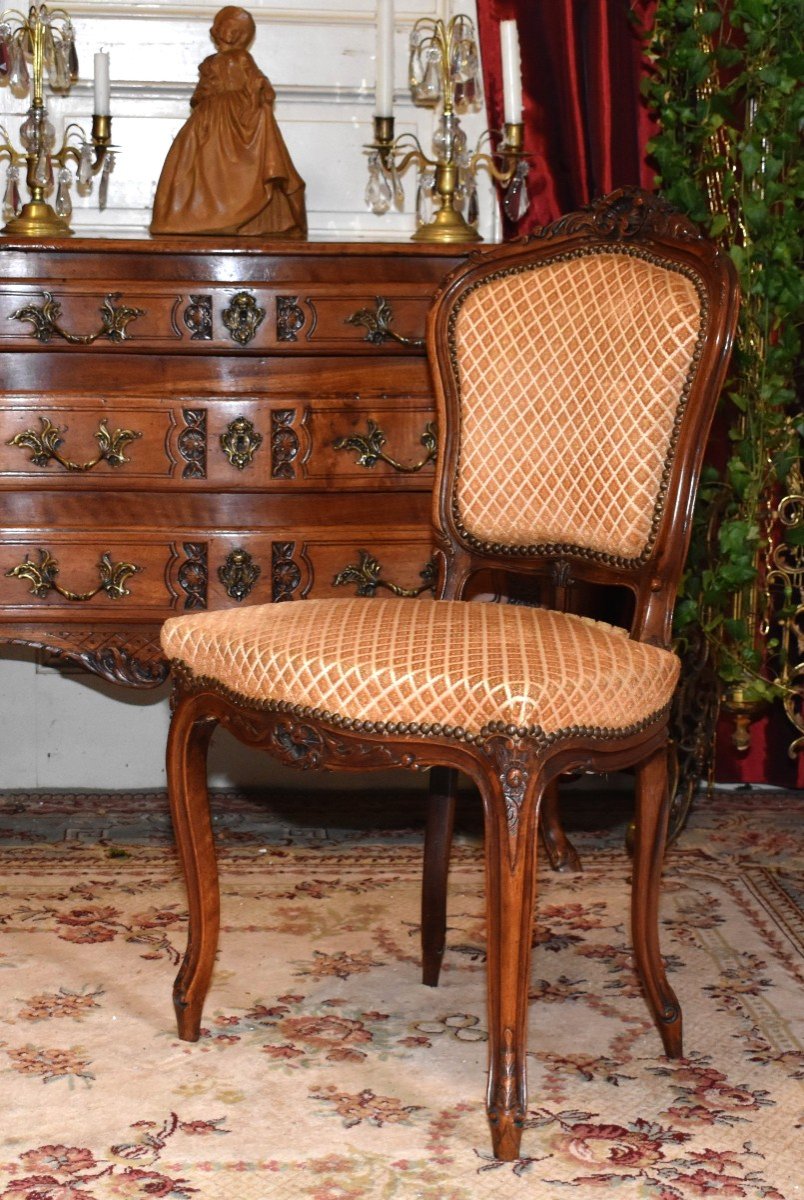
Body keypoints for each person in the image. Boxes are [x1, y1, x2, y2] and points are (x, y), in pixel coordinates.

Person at [151, 6, 306, 237]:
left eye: (236, 30)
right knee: (199, 166)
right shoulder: (209, 63)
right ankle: (193, 216)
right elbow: (200, 93)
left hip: (239, 117)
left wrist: (260, 90)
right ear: (217, 30)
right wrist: (204, 99)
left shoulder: (243, 58)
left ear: (243, 35)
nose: (230, 34)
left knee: (242, 168)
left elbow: (258, 81)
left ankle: (249, 217)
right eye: (225, 27)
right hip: (207, 122)